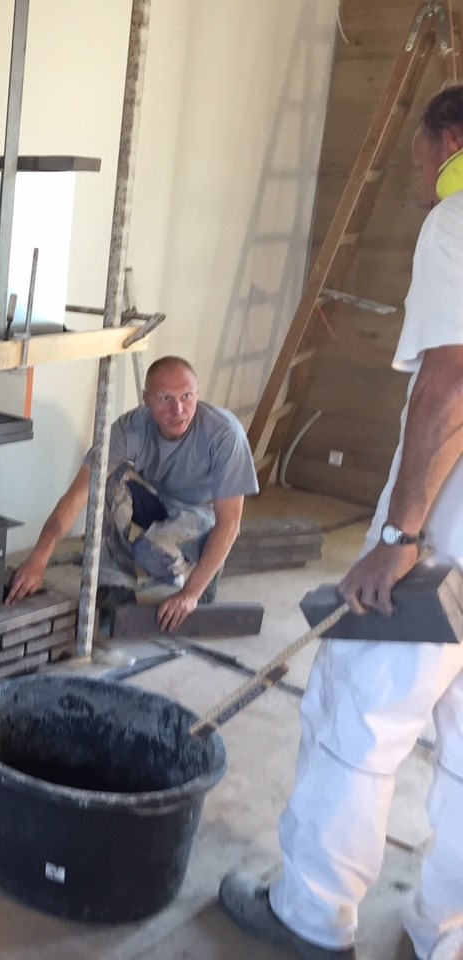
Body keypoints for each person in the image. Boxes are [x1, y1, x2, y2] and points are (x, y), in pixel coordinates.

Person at [218, 85, 463, 960]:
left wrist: (399, 542)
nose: (425, 187)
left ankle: (311, 917)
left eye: (425, 165)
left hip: (447, 540)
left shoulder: (458, 220)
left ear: (452, 141)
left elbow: (451, 380)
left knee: (359, 711)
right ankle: (446, 933)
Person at [5, 355, 259, 632]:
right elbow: (78, 494)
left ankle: (201, 579)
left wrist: (190, 594)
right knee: (107, 479)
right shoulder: (130, 428)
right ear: (146, 399)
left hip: (200, 519)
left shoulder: (224, 434)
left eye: (186, 396)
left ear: (197, 392)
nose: (178, 409)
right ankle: (115, 587)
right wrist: (38, 559)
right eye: (165, 398)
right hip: (159, 504)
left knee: (151, 550)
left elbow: (229, 525)